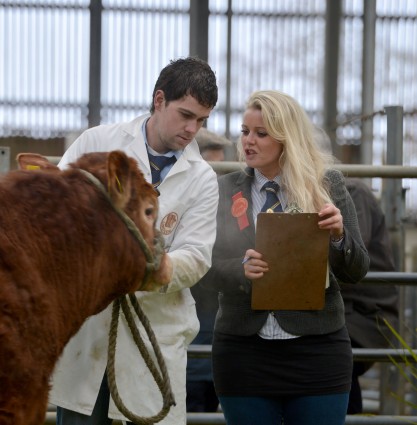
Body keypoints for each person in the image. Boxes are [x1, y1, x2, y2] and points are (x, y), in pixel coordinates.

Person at [49, 56, 219, 425]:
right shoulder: (97, 143)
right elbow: (54, 211)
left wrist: (155, 268)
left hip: (154, 333)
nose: (193, 129)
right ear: (159, 100)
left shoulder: (202, 178)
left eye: (201, 120)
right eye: (185, 115)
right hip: (90, 332)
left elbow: (197, 254)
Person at [199, 90, 370, 425]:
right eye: (245, 131)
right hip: (243, 354)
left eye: (261, 134)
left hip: (318, 354)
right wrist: (240, 270)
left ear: (286, 139)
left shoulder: (327, 185)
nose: (248, 141)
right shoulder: (224, 188)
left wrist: (338, 237)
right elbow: (203, 267)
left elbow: (357, 270)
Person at [313, 127, 399, 414]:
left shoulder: (349, 191)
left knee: (322, 348)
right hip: (340, 309)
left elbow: (347, 261)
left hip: (363, 314)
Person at [342, 178, 399, 414]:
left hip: (362, 314)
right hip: (346, 308)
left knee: (330, 358)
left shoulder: (350, 191)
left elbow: (351, 255)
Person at [186, 127, 232, 413]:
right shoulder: (183, 204)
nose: (216, 180)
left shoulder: (231, 205)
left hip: (221, 349)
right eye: (210, 169)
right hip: (189, 352)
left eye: (221, 169)